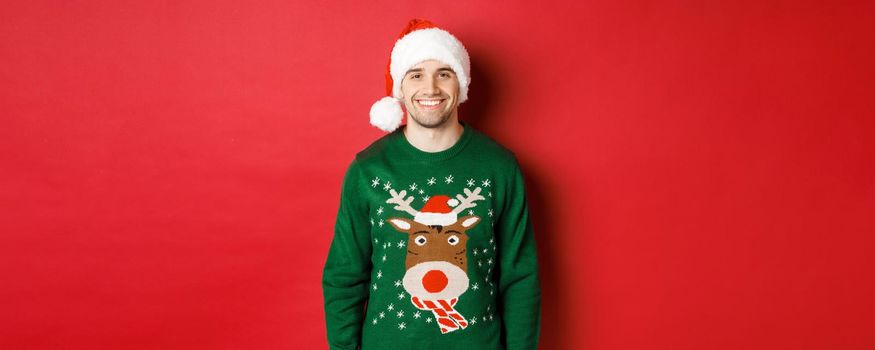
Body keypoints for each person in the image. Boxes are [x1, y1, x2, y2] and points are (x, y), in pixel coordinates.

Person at [322, 18, 541, 350]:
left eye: (444, 73)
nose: (430, 89)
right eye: (416, 75)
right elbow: (343, 278)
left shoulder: (499, 168)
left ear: (461, 83)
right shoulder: (368, 171)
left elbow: (520, 278)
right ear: (400, 87)